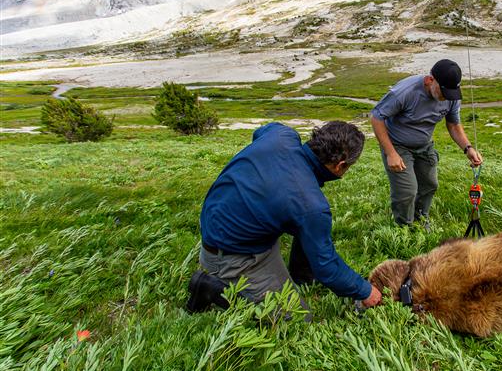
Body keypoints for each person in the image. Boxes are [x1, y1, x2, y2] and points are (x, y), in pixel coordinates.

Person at [186, 121, 382, 314]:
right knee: (296, 319)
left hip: (220, 226)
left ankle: (302, 276)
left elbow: (259, 133)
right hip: (232, 257)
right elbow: (327, 267)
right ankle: (212, 288)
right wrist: (364, 290)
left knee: (304, 224)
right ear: (340, 165)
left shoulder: (280, 134)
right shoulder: (311, 205)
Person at [371, 59, 483, 227]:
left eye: (451, 93)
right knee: (407, 191)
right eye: (443, 91)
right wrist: (391, 153)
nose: (446, 97)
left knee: (430, 185)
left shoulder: (451, 95)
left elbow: (453, 124)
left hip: (425, 145)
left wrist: (468, 148)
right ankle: (404, 229)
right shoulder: (404, 92)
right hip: (398, 146)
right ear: (429, 80)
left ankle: (421, 220)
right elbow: (377, 118)